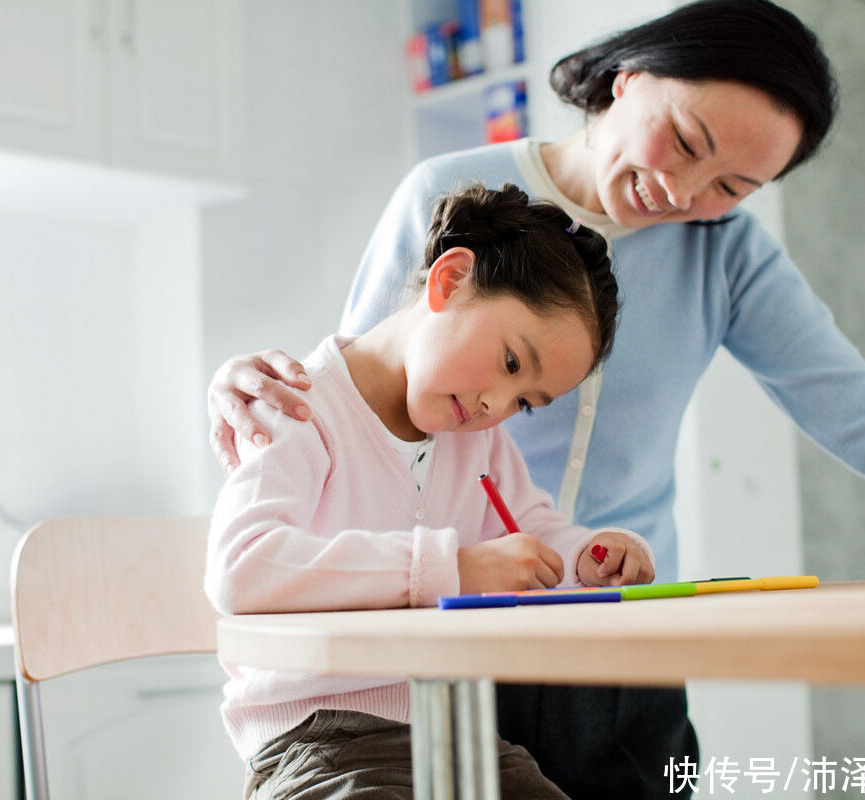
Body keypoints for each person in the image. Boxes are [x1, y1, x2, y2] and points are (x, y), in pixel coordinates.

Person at [206, 0, 865, 797]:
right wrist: (252, 385)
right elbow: (376, 397)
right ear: (630, 78)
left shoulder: (725, 253)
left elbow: (854, 402)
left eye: (733, 186)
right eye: (685, 141)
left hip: (623, 635)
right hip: (460, 632)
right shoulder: (456, 189)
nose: (686, 196)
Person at [204, 182, 654, 800]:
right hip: (318, 741)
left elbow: (533, 531)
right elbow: (241, 569)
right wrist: (452, 568)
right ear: (451, 280)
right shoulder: (299, 408)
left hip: (453, 727)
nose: (498, 404)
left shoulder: (481, 442)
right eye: (512, 363)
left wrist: (590, 556)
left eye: (524, 402)